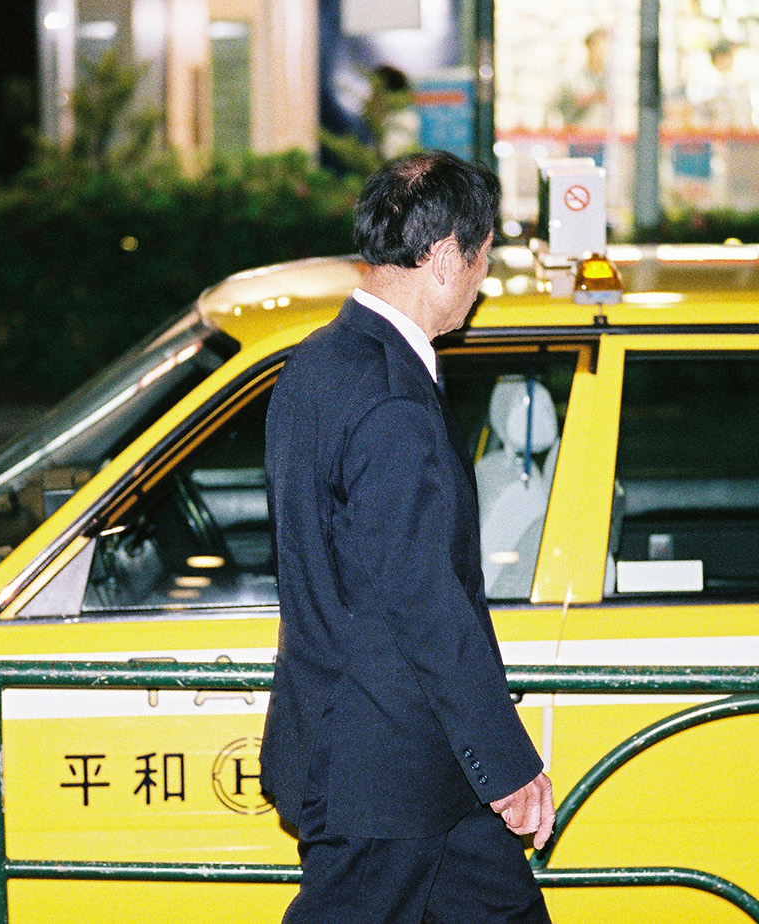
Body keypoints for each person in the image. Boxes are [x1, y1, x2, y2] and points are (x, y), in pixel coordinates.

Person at [261, 150, 555, 924]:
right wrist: (507, 763)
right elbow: (424, 602)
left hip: (400, 757)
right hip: (386, 771)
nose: (483, 280)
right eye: (483, 257)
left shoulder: (316, 363)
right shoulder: (392, 400)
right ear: (446, 257)